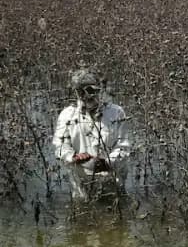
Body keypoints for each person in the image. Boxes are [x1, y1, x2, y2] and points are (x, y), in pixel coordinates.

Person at [53, 70, 131, 201]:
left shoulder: (116, 112)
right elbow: (59, 146)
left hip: (113, 182)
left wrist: (107, 163)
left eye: (90, 90)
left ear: (99, 89)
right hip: (80, 185)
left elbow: (123, 147)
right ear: (76, 92)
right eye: (80, 91)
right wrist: (73, 157)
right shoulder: (66, 115)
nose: (86, 95)